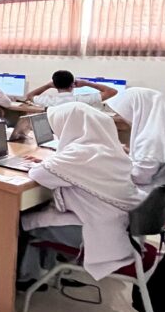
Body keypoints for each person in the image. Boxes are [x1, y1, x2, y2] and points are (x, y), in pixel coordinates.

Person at [18, 102, 143, 286]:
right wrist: (54, 162)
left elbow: (39, 175)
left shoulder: (80, 153)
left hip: (98, 234)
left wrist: (49, 163)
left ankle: (26, 277)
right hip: (122, 227)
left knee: (20, 220)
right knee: (44, 211)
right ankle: (43, 270)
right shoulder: (110, 149)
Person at [107, 87, 165, 185]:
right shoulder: (164, 131)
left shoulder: (150, 140)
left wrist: (112, 163)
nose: (116, 116)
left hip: (155, 190)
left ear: (135, 111)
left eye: (119, 113)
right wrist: (129, 153)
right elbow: (149, 159)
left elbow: (139, 177)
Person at [26, 71, 116, 109]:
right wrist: (87, 83)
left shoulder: (49, 101)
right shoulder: (82, 100)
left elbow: (29, 96)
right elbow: (112, 91)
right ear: (72, 84)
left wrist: (47, 86)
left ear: (55, 85)